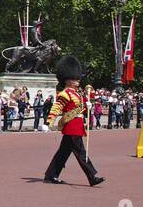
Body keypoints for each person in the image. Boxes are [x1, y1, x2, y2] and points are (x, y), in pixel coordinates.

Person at [43, 55, 105, 186]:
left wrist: (88, 104)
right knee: (81, 152)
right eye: (74, 78)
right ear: (67, 80)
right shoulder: (64, 94)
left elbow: (81, 107)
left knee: (63, 153)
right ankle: (92, 176)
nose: (78, 80)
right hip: (71, 126)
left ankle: (51, 174)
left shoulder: (78, 93)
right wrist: (48, 123)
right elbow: (56, 108)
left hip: (77, 125)